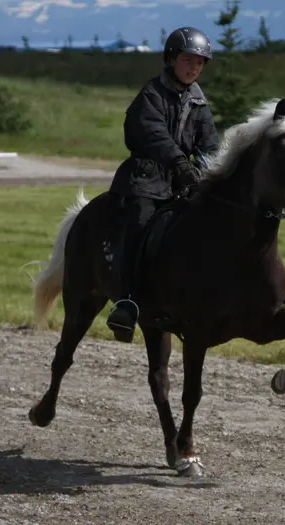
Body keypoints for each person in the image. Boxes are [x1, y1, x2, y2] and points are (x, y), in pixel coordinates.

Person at [104, 26, 220, 342]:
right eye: (188, 60)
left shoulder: (199, 101)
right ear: (171, 59)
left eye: (199, 62)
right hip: (146, 179)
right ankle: (127, 300)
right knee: (140, 224)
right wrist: (180, 163)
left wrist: (212, 171)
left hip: (183, 181)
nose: (194, 67)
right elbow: (154, 135)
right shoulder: (151, 94)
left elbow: (209, 143)